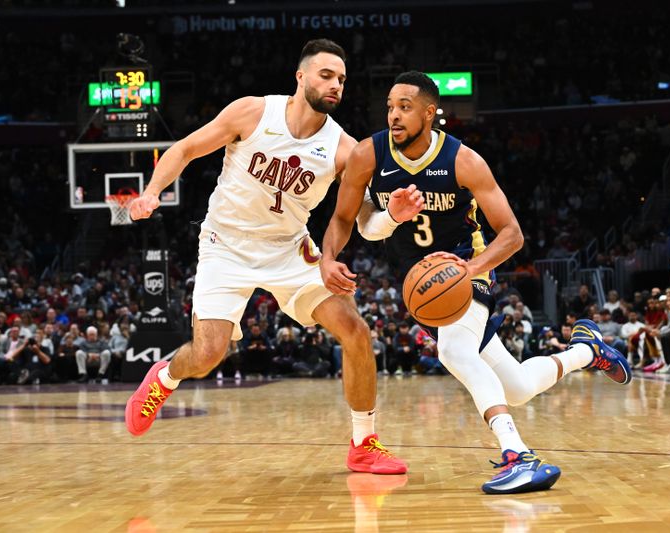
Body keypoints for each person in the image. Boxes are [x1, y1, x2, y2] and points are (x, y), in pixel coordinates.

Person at [320, 71, 631, 494]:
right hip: (422, 286)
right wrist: (329, 257)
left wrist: (470, 268)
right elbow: (345, 220)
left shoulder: (463, 160)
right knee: (517, 387)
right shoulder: (367, 155)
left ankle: (518, 454)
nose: (394, 115)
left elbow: (512, 234)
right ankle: (585, 351)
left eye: (405, 107)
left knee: (454, 350)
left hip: (465, 269)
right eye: (390, 106)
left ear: (430, 113)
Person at [123, 39, 406, 475]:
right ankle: (164, 378)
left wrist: (391, 216)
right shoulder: (252, 112)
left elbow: (361, 219)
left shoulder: (343, 149)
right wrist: (150, 192)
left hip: (290, 249)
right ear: (301, 77)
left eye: (342, 80)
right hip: (226, 245)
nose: (336, 86)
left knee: (355, 330)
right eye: (326, 75)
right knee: (207, 354)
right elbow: (183, 149)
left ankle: (363, 442)